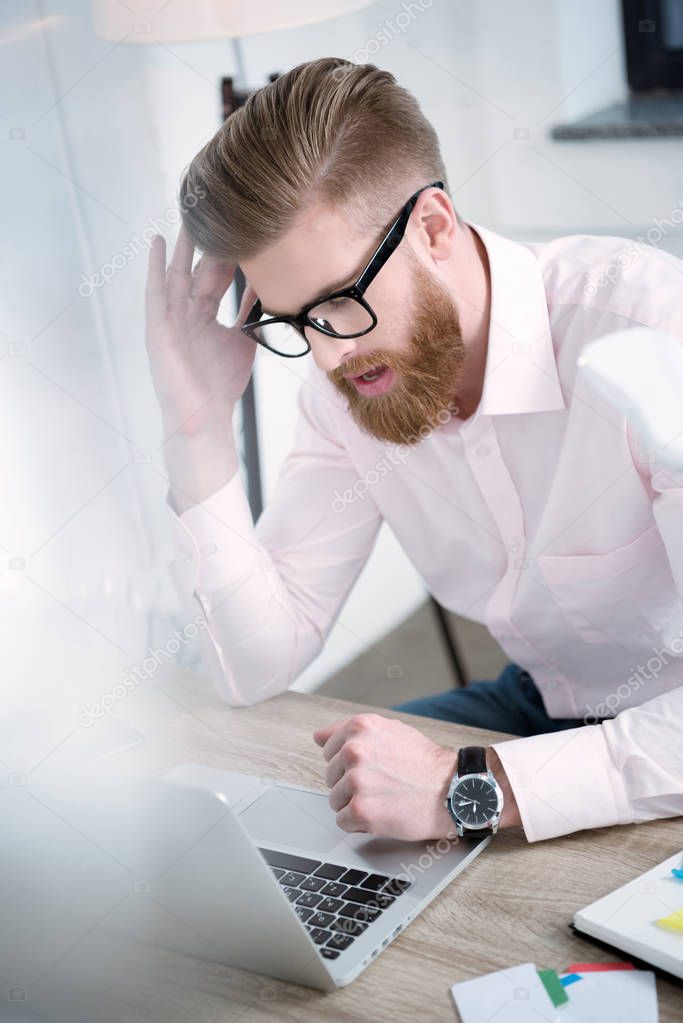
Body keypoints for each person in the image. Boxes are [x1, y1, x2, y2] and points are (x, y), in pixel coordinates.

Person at [144, 57, 683, 847]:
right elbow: (253, 664)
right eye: (297, 323)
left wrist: (466, 787)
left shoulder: (647, 331)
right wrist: (194, 427)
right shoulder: (349, 388)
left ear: (432, 227)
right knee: (277, 811)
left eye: (338, 303)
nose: (328, 360)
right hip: (542, 701)